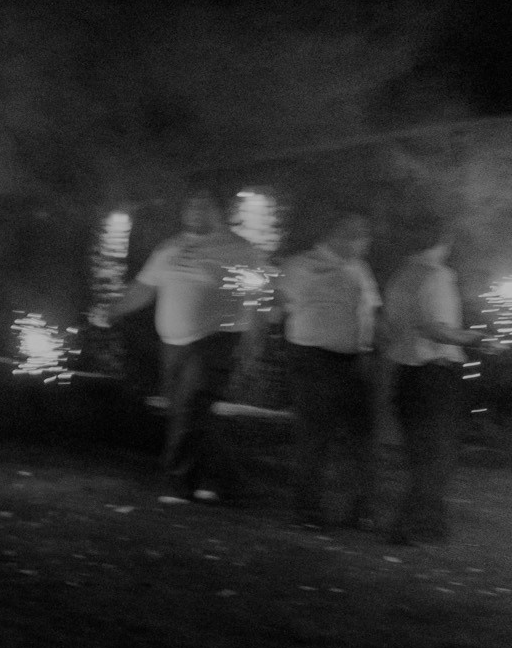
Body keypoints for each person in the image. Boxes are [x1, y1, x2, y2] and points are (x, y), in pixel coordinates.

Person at [112, 191, 265, 505]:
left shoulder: (239, 250)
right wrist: (114, 308)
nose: (194, 210)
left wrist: (254, 341)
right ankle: (224, 482)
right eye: (190, 204)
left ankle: (177, 483)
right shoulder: (170, 247)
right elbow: (145, 287)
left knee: (189, 408)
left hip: (215, 340)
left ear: (219, 211)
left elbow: (257, 299)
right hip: (173, 344)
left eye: (202, 204)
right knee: (192, 414)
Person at [379, 229, 490, 544]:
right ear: (447, 242)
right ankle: (407, 527)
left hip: (406, 376)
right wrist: (476, 338)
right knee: (437, 458)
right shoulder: (438, 275)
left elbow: (391, 326)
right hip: (435, 375)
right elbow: (439, 330)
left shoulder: (401, 275)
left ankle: (433, 526)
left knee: (422, 455)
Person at [278, 213, 381, 529]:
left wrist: (367, 349)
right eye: (361, 235)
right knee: (314, 435)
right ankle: (306, 509)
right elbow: (278, 304)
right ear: (341, 235)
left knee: (359, 435)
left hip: (350, 361)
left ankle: (359, 510)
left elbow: (371, 311)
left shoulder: (359, 269)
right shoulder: (300, 265)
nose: (366, 243)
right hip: (311, 358)